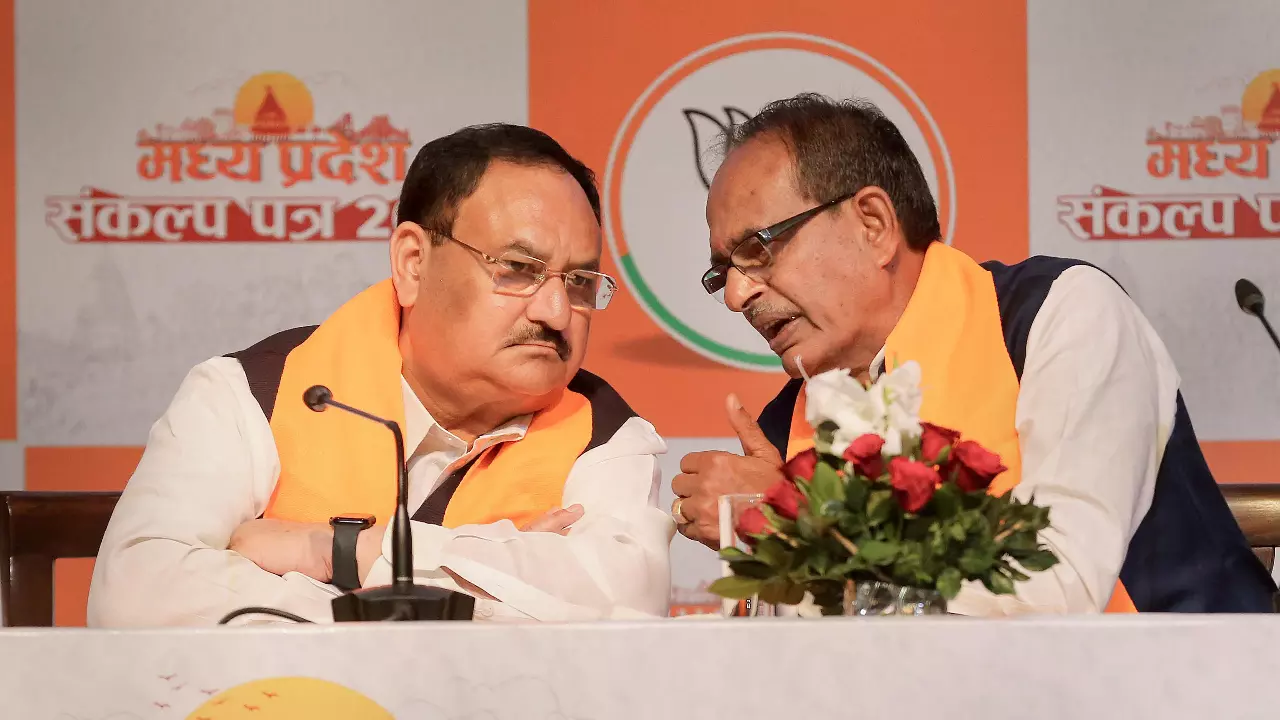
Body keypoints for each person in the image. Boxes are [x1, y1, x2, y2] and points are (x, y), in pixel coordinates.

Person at [670, 93, 1276, 613]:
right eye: (722, 270)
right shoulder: (784, 428)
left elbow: (1059, 588)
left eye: (758, 249)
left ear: (874, 224)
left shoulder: (1055, 316)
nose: (736, 295)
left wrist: (798, 529)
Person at [88, 124, 674, 625]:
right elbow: (135, 593)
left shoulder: (606, 433)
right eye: (518, 269)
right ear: (413, 263)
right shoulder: (253, 394)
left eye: (579, 283)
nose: (554, 312)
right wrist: (483, 596)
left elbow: (628, 605)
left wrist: (335, 553)